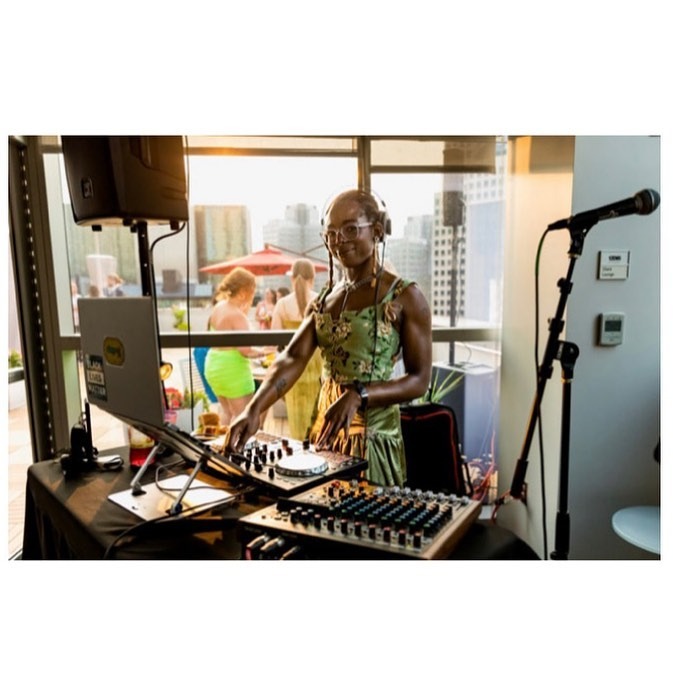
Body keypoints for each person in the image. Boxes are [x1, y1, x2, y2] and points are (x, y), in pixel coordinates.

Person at [226, 189, 433, 486]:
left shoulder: (406, 296)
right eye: (332, 233)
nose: (339, 241)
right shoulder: (324, 299)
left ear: (377, 231)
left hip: (372, 442)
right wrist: (254, 409)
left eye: (351, 229)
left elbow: (419, 380)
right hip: (326, 435)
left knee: (366, 514)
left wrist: (359, 394)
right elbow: (292, 357)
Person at [204, 267, 268, 425]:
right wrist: (264, 352)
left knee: (227, 412)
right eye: (253, 290)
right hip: (232, 370)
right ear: (244, 292)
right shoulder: (237, 316)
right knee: (242, 417)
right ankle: (238, 443)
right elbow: (246, 351)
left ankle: (224, 441)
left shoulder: (219, 307)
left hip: (214, 365)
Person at [270, 258, 322, 441]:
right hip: (318, 368)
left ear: (292, 278)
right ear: (312, 278)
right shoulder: (321, 300)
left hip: (292, 367)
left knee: (297, 424)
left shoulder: (282, 304)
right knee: (319, 421)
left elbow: (274, 339)